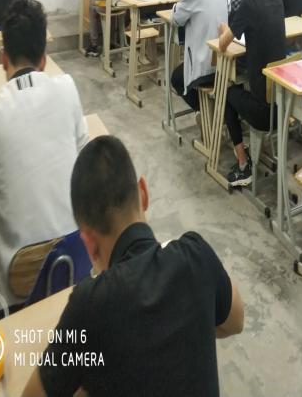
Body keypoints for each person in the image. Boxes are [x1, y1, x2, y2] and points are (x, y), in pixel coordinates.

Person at [22, 135, 244, 397]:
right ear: (143, 193)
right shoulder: (195, 255)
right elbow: (235, 321)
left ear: (88, 243)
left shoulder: (89, 307)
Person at [0, 0, 89, 309]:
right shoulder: (67, 89)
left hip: (14, 288)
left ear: (2, 58)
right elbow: (82, 154)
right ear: (44, 58)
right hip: (76, 265)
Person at [218, 0, 286, 187]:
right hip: (283, 105)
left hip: (264, 112)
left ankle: (243, 165)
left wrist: (224, 29)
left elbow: (223, 44)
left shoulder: (249, 2)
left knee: (227, 94)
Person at [171, 0, 228, 112]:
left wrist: (175, 7)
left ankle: (204, 111)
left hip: (203, 67)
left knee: (176, 79)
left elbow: (176, 19)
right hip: (222, 64)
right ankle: (209, 109)